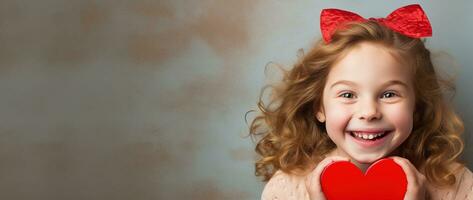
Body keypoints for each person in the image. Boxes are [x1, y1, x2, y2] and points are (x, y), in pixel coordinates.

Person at [247, 4, 473, 200]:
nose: (369, 112)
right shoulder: (286, 189)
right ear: (319, 107)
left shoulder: (457, 185)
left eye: (389, 94)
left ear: (417, 105)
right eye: (347, 95)